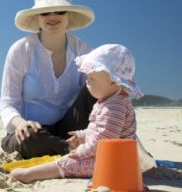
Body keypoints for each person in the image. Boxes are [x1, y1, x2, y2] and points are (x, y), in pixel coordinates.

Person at [11, 44, 144, 182]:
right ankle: (34, 172)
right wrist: (82, 135)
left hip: (114, 163)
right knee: (71, 157)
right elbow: (99, 129)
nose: (87, 82)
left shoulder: (114, 107)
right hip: (115, 157)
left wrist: (81, 152)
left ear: (114, 82)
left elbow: (104, 139)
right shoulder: (112, 100)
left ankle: (30, 175)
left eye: (92, 78)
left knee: (68, 163)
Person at [0, 0, 97, 159]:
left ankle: (114, 145)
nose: (52, 17)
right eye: (45, 13)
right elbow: (7, 103)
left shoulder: (83, 49)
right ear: (37, 18)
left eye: (60, 11)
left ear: (69, 16)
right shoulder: (21, 50)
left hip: (70, 128)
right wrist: (21, 123)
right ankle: (73, 150)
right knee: (31, 139)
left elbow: (102, 95)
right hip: (33, 132)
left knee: (98, 86)